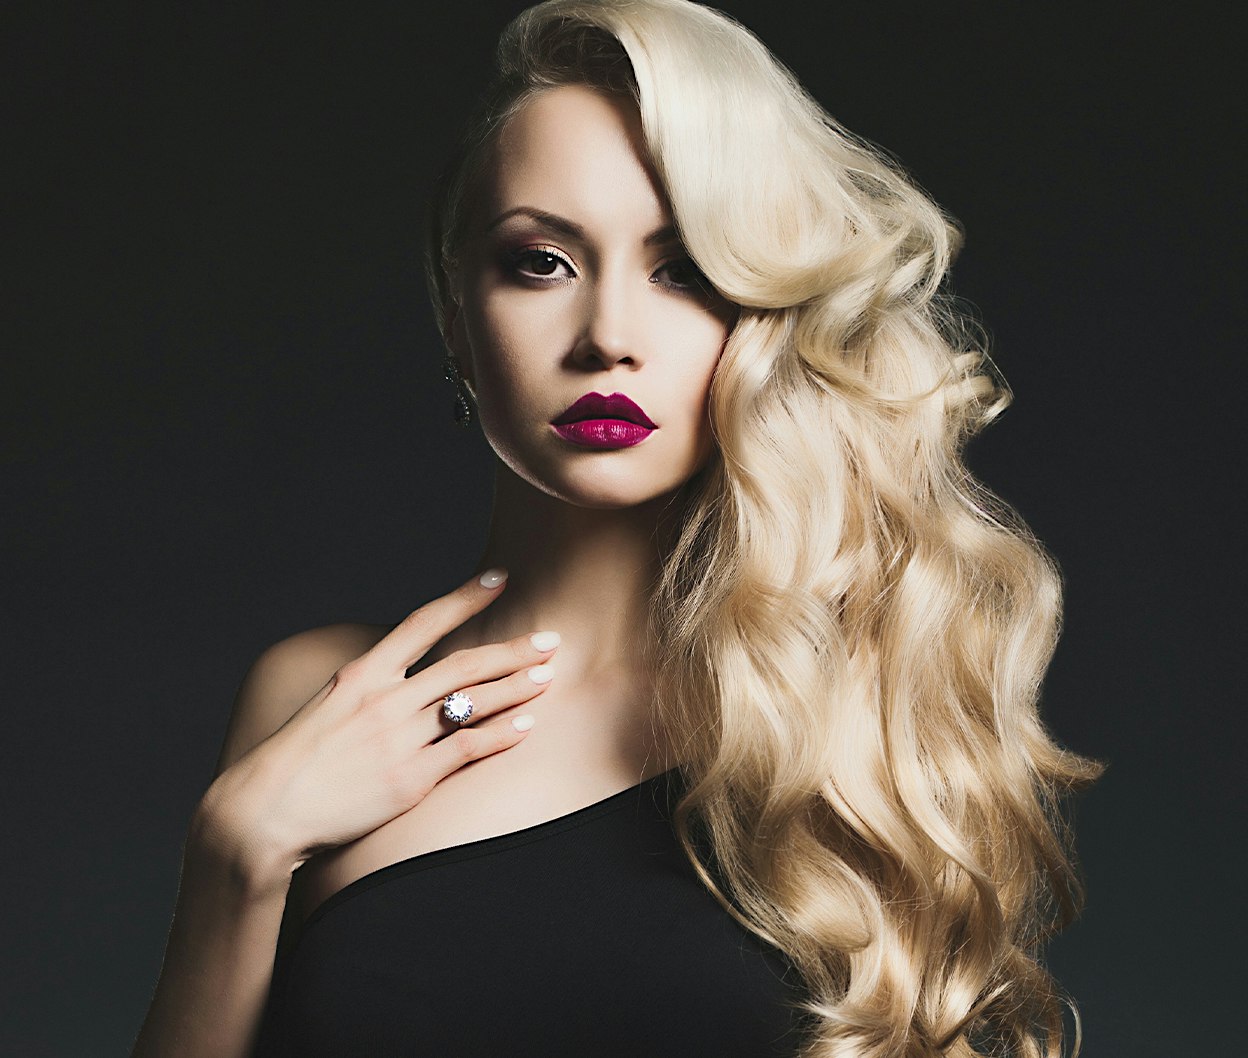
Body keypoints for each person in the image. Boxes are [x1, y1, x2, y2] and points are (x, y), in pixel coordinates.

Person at [131, 1, 1101, 1055]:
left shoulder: (852, 718)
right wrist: (240, 851)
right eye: (541, 262)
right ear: (458, 318)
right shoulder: (316, 698)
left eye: (682, 268)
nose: (607, 338)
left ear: (765, 315)